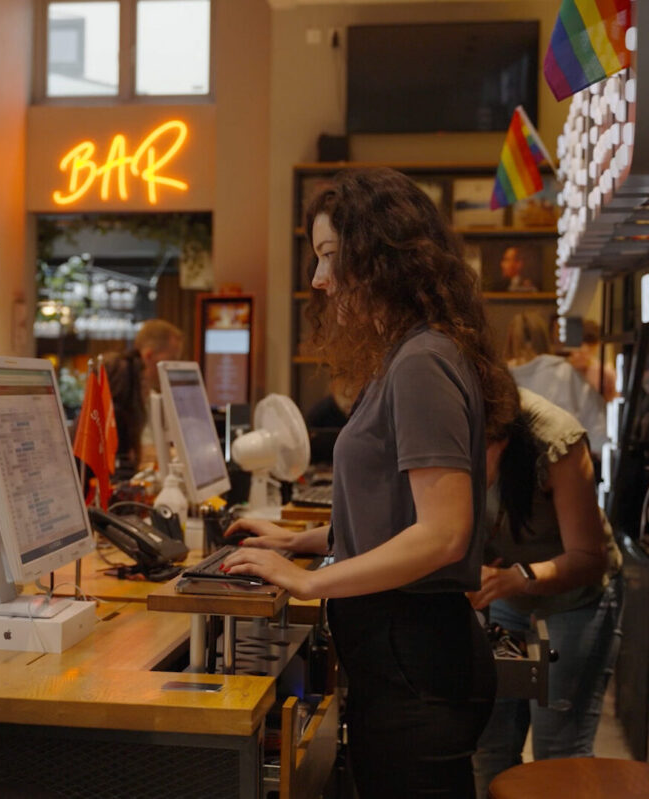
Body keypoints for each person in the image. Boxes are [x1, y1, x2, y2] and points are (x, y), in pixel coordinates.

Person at [221, 167, 513, 797]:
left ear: (380, 258)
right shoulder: (409, 355)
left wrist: (309, 580)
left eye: (330, 257)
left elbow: (442, 534)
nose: (319, 279)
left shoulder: (421, 362)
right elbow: (405, 511)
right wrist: (301, 541)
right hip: (407, 656)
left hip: (416, 661)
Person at [469, 387, 623, 796]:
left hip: (577, 598)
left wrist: (521, 576)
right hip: (510, 593)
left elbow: (591, 558)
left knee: (559, 751)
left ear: (499, 438)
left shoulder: (556, 441)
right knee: (490, 745)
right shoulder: (452, 427)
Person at [504, 311, 607, 459]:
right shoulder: (565, 373)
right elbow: (597, 425)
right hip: (564, 466)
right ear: (544, 337)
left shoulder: (500, 380)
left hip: (512, 471)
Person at [104, 318, 183, 474]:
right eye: (172, 359)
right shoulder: (122, 390)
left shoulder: (154, 398)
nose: (172, 367)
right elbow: (133, 454)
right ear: (148, 355)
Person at [567, 318, 619, 402]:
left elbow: (611, 401)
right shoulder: (562, 371)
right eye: (578, 346)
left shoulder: (605, 374)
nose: (583, 350)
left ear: (596, 346)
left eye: (589, 346)